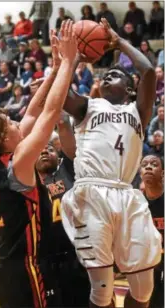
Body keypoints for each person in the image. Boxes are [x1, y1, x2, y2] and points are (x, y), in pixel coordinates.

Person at [60, 18, 162, 308]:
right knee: (102, 291)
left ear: (130, 89)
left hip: (127, 196)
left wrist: (120, 43)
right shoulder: (88, 106)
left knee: (143, 290)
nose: (107, 77)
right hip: (91, 194)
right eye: (105, 76)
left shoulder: (138, 110)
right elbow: (62, 96)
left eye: (115, 75)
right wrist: (73, 60)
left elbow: (148, 72)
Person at [0, 20, 77, 308]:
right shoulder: (18, 164)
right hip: (26, 269)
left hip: (6, 270)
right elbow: (48, 113)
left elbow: (33, 111)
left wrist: (55, 69)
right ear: (3, 139)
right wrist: (69, 63)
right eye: (10, 123)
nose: (16, 121)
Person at [35, 119, 90, 307]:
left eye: (50, 149)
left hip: (77, 255)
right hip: (46, 261)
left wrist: (60, 119)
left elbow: (67, 138)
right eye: (40, 150)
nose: (44, 151)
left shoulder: (67, 172)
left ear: (58, 156)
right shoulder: (30, 186)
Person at [140, 154, 164, 308]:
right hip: (149, 262)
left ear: (163, 173)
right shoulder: (136, 203)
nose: (148, 167)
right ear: (140, 173)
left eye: (154, 164)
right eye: (144, 164)